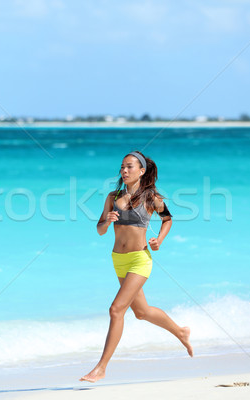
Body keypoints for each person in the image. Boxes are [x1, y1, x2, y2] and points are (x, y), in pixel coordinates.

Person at [80, 151, 193, 383]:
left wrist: (159, 240)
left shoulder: (151, 198)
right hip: (118, 260)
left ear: (141, 171)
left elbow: (168, 218)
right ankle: (181, 332)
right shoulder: (113, 197)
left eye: (129, 167)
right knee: (141, 312)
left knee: (116, 309)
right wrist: (107, 220)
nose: (124, 170)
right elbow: (100, 230)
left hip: (140, 259)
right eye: (122, 167)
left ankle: (101, 368)